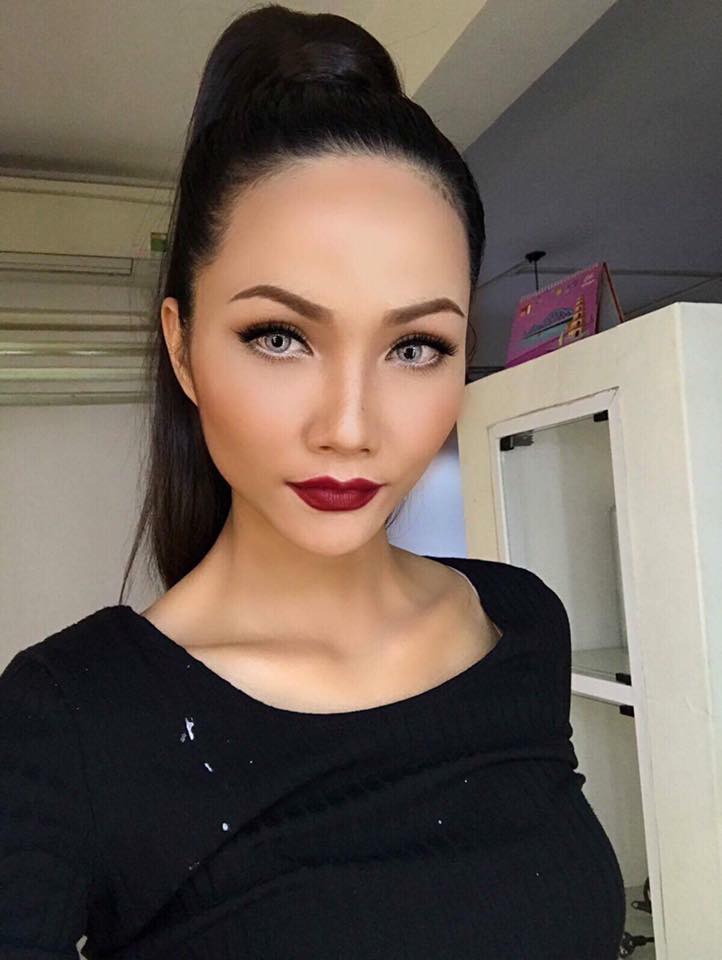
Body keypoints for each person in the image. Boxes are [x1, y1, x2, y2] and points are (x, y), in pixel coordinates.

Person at [0, 4, 626, 957]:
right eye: (280, 336)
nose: (349, 427)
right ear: (182, 347)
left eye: (416, 346)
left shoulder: (521, 624)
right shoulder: (70, 725)